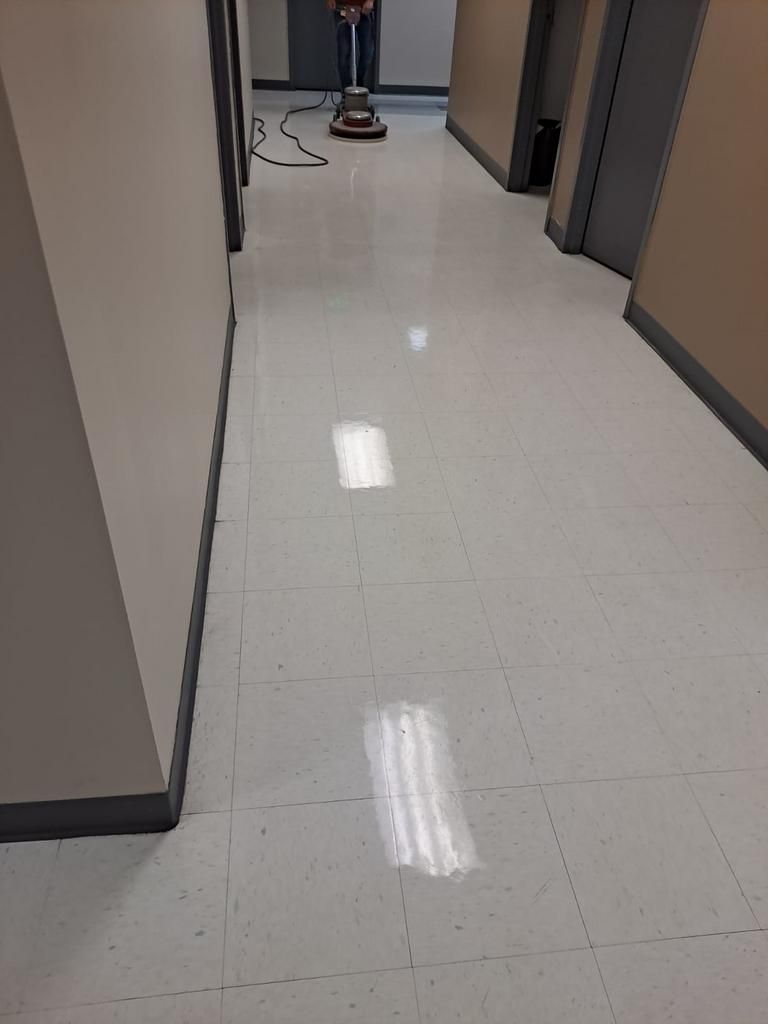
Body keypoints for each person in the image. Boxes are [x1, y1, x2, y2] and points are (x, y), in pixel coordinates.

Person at [326, 0, 375, 91]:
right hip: (341, 8)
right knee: (344, 54)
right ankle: (346, 92)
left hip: (365, 9)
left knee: (368, 53)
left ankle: (358, 85)